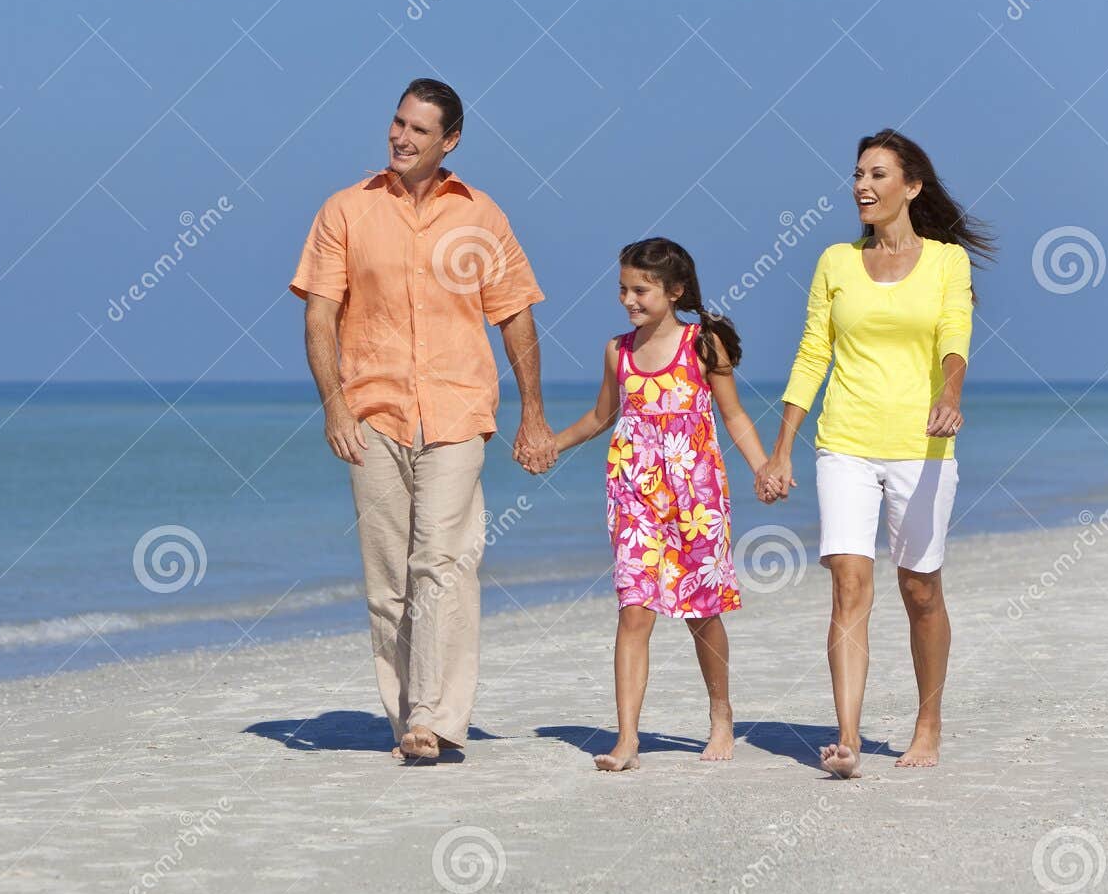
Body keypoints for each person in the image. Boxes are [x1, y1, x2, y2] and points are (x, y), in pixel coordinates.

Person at [290, 77, 556, 763]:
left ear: (451, 141)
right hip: (372, 413)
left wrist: (533, 413)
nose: (402, 137)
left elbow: (515, 315)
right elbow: (320, 314)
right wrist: (334, 405)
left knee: (442, 561)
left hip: (458, 409)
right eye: (397, 123)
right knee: (389, 580)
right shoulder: (346, 210)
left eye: (419, 129)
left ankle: (437, 718)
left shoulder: (482, 216)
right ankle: (406, 711)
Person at [756, 128, 994, 779]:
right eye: (859, 173)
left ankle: (928, 720)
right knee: (848, 582)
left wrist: (950, 393)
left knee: (919, 587)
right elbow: (813, 353)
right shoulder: (835, 260)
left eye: (878, 174)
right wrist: (781, 449)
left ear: (911, 185)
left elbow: (955, 334)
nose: (862, 184)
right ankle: (849, 737)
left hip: (921, 445)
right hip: (845, 443)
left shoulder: (947, 262)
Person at [552, 238, 771, 770]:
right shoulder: (617, 350)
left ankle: (721, 715)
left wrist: (763, 466)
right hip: (633, 493)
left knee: (703, 612)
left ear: (674, 291)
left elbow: (735, 414)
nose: (629, 299)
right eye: (624, 289)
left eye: (641, 290)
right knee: (634, 611)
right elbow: (602, 415)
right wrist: (550, 445)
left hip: (697, 496)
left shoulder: (704, 343)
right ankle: (628, 739)